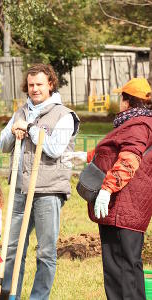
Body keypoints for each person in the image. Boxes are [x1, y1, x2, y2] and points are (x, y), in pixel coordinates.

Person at [0, 63, 80, 299]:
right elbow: (3, 146)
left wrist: (32, 128)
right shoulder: (21, 111)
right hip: (20, 189)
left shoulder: (64, 115)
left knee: (45, 252)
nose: (34, 89)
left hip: (48, 191)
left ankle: (38, 297)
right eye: (31, 85)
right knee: (12, 247)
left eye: (39, 84)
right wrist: (13, 130)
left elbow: (54, 149)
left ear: (51, 84)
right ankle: (7, 292)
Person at [66, 77, 152, 299]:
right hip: (124, 207)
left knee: (122, 268)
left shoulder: (138, 125)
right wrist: (85, 157)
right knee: (122, 266)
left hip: (125, 205)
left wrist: (106, 190)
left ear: (126, 100)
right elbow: (113, 152)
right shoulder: (136, 122)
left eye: (121, 97)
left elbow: (128, 160)